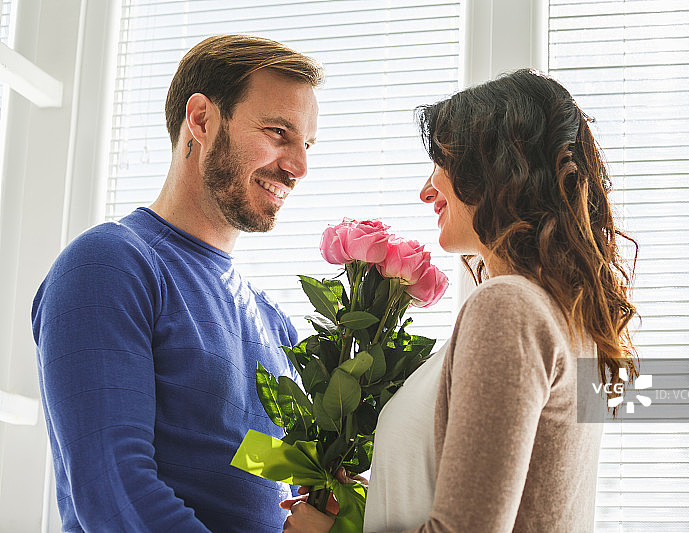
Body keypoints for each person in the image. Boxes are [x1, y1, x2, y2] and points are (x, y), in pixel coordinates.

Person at [280, 68, 638, 532]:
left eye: (442, 164)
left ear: (493, 170)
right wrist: (385, 498)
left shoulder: (509, 307)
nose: (427, 190)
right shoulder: (567, 317)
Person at [31, 34, 321, 532]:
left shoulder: (273, 323)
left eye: (306, 145)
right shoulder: (110, 265)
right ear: (202, 120)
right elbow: (113, 491)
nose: (298, 167)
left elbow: (247, 466)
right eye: (278, 133)